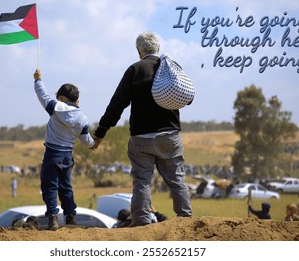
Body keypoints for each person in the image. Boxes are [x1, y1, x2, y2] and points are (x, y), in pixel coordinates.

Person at [93, 31, 192, 227]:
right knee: (177, 179)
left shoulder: (135, 70)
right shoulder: (171, 68)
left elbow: (117, 105)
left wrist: (100, 132)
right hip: (169, 136)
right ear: (158, 49)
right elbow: (188, 97)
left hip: (142, 139)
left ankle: (141, 223)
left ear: (139, 51)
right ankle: (186, 220)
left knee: (142, 181)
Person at [33, 69, 95, 230]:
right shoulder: (83, 118)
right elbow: (86, 141)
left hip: (52, 154)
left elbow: (42, 95)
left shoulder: (55, 107)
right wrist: (94, 144)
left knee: (50, 186)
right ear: (77, 100)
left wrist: (38, 80)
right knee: (66, 187)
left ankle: (53, 218)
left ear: (61, 98)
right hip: (68, 156)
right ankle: (70, 218)